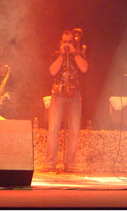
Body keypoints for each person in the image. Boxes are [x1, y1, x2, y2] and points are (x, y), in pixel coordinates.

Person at [45, 29, 88, 172]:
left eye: (70, 42)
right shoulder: (56, 55)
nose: (68, 44)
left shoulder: (79, 54)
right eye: (65, 42)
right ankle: (50, 163)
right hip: (58, 94)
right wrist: (62, 56)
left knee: (74, 130)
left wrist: (74, 53)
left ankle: (70, 164)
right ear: (60, 42)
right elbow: (52, 71)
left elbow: (84, 69)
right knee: (53, 129)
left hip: (74, 94)